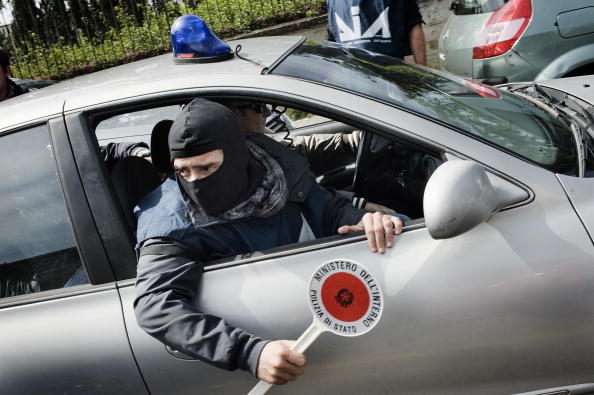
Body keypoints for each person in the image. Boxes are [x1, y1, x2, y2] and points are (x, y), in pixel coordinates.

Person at [134, 99, 404, 386]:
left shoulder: (276, 165)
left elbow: (327, 208)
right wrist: (249, 352)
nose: (195, 182)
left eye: (207, 168)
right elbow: (154, 304)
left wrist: (364, 219)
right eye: (184, 171)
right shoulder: (171, 221)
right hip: (272, 348)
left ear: (238, 155)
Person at [224, 100, 396, 215]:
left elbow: (295, 148)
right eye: (258, 106)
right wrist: (358, 205)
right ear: (233, 114)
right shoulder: (241, 166)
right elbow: (304, 198)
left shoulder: (252, 146)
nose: (268, 112)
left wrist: (349, 141)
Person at [326, 0, 427, 66]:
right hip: (390, 74)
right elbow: (413, 25)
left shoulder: (333, 2)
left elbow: (332, 39)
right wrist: (423, 69)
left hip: (355, 79)